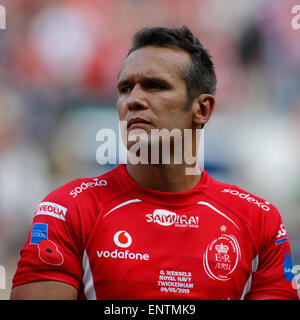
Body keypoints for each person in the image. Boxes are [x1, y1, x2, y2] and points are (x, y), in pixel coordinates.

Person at [10, 26, 299, 300]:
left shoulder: (260, 221)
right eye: (125, 89)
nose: (133, 100)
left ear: (202, 108)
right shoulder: (68, 209)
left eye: (154, 86)